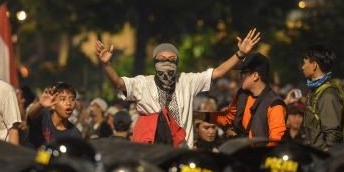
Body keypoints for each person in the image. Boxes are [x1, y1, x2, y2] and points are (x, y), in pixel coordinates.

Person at [95, 28, 261, 148]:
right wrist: (107, 65)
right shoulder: (143, 83)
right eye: (162, 59)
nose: (167, 62)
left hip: (182, 150)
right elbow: (118, 83)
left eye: (171, 59)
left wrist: (240, 54)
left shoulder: (186, 81)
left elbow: (217, 73)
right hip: (152, 151)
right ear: (154, 62)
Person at [199, 53, 286, 145]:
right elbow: (227, 118)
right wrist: (198, 115)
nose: (239, 76)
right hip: (241, 154)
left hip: (261, 156)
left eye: (243, 72)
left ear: (255, 76)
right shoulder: (241, 95)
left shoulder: (275, 104)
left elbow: (275, 141)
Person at [302, 45, 344, 151]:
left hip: (322, 157)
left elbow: (332, 133)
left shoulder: (327, 94)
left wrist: (326, 156)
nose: (302, 67)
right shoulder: (316, 91)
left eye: (304, 63)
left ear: (314, 65)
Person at [27, 82, 82, 147]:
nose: (69, 103)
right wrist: (40, 104)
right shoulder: (43, 115)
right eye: (63, 99)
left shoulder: (74, 134)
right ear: (53, 104)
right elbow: (29, 117)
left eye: (72, 99)